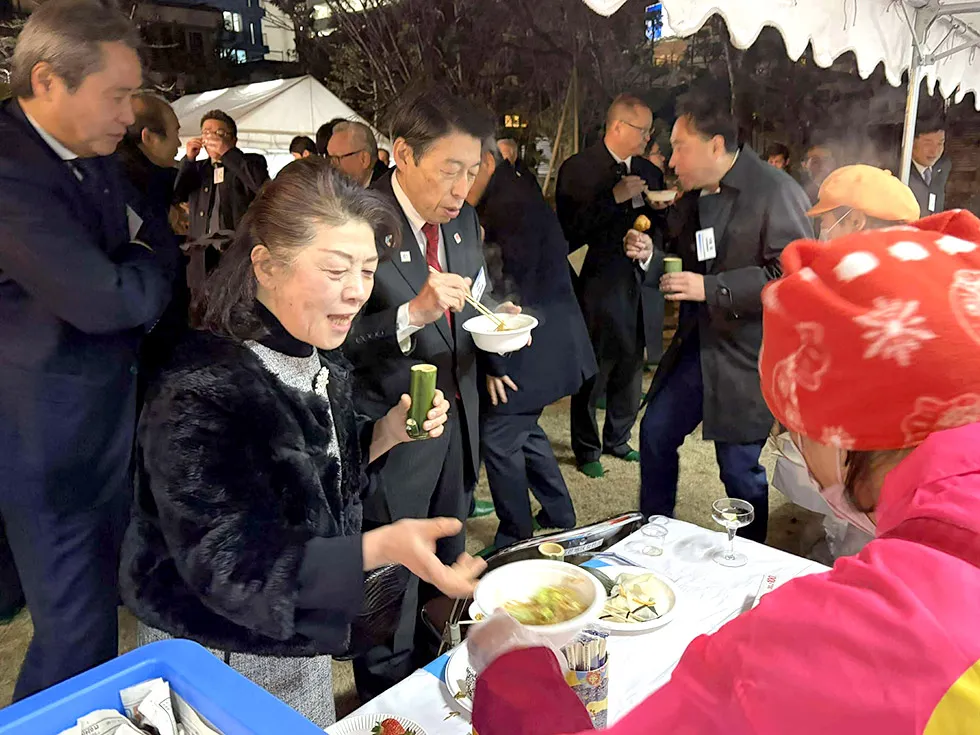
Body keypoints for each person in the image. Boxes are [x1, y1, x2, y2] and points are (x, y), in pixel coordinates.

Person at [468, 208, 980, 735]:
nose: (796, 452)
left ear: (843, 427)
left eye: (792, 430)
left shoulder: (838, 639)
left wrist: (513, 675)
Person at [120, 158, 487, 728]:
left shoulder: (318, 358)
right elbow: (227, 564)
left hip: (294, 637)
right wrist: (378, 548)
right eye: (336, 269)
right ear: (265, 265)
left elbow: (317, 479)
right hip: (216, 653)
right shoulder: (202, 387)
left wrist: (385, 432)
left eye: (367, 271)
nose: (356, 293)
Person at [0, 0, 178, 699]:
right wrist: (146, 262)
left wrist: (141, 260)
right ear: (48, 81)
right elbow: (110, 298)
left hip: (101, 430)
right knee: (78, 635)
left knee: (84, 624)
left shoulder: (89, 158)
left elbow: (149, 243)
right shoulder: (12, 172)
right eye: (116, 94)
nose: (131, 114)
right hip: (47, 448)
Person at [345, 89, 508, 698]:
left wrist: (495, 329)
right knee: (390, 589)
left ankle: (439, 688)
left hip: (456, 428)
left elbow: (470, 301)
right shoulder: (359, 221)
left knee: (447, 571)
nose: (462, 186)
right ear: (403, 154)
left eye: (472, 171)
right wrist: (411, 313)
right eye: (450, 169)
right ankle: (387, 703)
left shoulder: (461, 219)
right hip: (391, 433)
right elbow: (335, 342)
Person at [627, 89, 811, 543]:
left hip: (747, 354)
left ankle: (751, 557)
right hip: (696, 345)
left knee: (739, 468)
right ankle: (653, 533)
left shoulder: (774, 190)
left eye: (680, 146)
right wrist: (651, 255)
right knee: (655, 432)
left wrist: (711, 288)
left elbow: (791, 276)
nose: (671, 161)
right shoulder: (693, 198)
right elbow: (682, 258)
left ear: (715, 145)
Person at [775, 164, 920, 561]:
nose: (824, 231)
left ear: (854, 219)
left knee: (868, 548)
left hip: (876, 459)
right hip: (881, 459)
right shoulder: (915, 268)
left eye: (828, 221)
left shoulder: (875, 283)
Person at [466, 140, 596, 548]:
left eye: (465, 170)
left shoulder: (505, 204)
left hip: (535, 340)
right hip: (557, 336)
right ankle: (559, 511)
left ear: (488, 161)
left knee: (499, 434)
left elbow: (509, 292)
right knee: (524, 428)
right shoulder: (513, 190)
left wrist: (495, 364)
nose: (458, 184)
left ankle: (514, 532)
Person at [557, 94, 666, 478]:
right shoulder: (579, 169)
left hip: (639, 282)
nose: (648, 138)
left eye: (650, 130)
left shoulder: (649, 173)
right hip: (597, 284)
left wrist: (651, 244)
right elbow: (568, 231)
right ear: (617, 127)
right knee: (594, 368)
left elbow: (664, 229)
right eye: (643, 130)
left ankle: (618, 437)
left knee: (632, 365)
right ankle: (587, 448)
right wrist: (614, 199)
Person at [116, 92, 190, 401]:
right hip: (140, 360)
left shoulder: (149, 188)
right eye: (174, 133)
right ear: (148, 137)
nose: (178, 144)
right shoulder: (125, 195)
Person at [174, 109, 269, 241]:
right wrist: (188, 159)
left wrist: (227, 153)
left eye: (220, 133)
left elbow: (263, 187)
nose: (212, 137)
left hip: (237, 248)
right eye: (206, 133)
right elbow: (177, 195)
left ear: (234, 140)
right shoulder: (196, 168)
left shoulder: (250, 162)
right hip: (201, 249)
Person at [908, 119, 950, 217]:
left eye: (940, 144)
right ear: (912, 143)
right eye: (928, 143)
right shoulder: (900, 170)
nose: (934, 152)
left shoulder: (943, 166)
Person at [327, 119, 380, 188]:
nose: (332, 165)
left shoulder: (386, 193)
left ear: (364, 159)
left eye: (337, 158)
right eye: (330, 158)